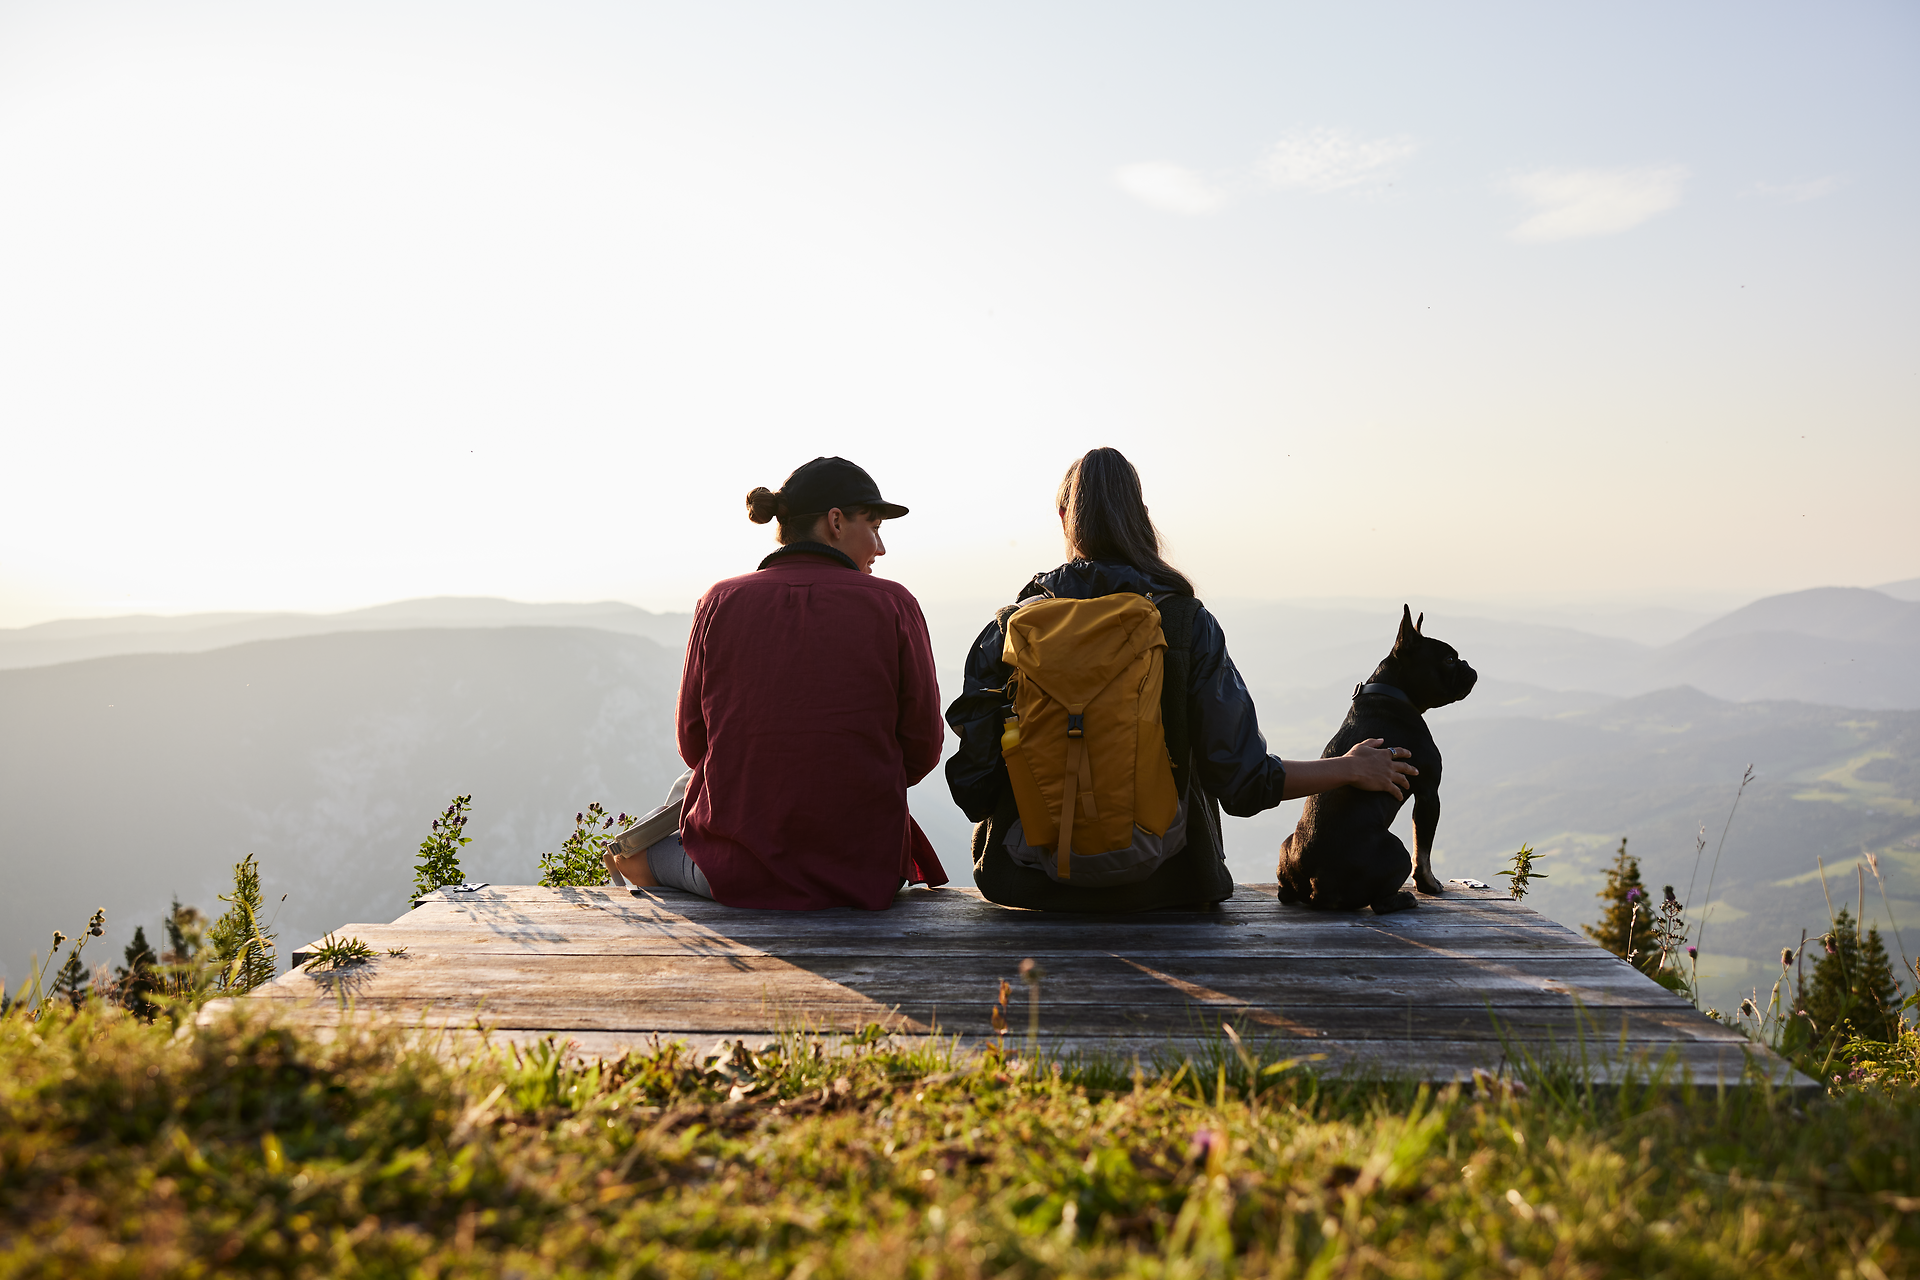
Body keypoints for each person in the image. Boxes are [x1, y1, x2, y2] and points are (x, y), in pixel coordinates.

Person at [944, 447, 1415, 911]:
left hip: (1025, 885)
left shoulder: (1009, 631)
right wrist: (1350, 768)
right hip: (1167, 886)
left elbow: (973, 789)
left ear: (1064, 516)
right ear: (1141, 516)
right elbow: (1243, 781)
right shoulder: (1186, 624)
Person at [606, 456, 948, 909]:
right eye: (875, 527)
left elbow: (694, 743)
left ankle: (633, 861)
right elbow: (922, 748)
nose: (881, 548)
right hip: (866, 871)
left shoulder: (719, 601)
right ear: (836, 522)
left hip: (732, 872)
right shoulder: (894, 604)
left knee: (635, 849)